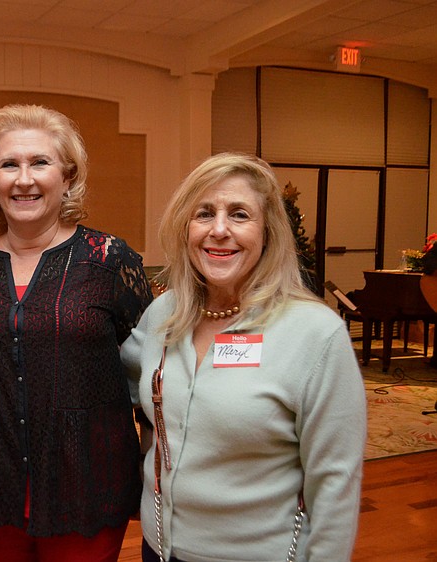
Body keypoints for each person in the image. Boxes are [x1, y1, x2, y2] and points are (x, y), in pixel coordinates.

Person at [121, 153, 366, 562]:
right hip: (159, 547)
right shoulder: (164, 314)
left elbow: (335, 482)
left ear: (267, 233)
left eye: (239, 215)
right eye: (204, 214)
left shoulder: (315, 333)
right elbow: (117, 380)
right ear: (186, 228)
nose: (220, 230)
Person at [0, 104, 153, 562]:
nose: (24, 179)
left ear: (67, 177)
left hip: (87, 488)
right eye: (9, 164)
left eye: (40, 163)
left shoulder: (108, 260)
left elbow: (151, 375)